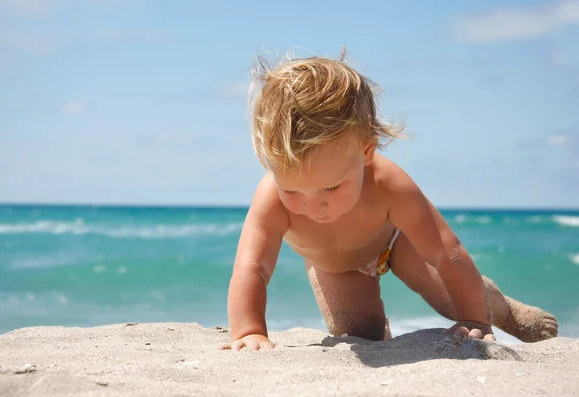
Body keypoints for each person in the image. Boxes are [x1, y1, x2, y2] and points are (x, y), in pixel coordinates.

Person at [222, 50, 558, 351]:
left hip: (397, 242)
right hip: (335, 267)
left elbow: (445, 251)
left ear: (366, 151)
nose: (314, 207)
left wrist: (476, 320)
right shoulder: (270, 197)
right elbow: (253, 266)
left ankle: (501, 311)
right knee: (361, 334)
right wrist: (249, 331)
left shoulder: (387, 183)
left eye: (332, 188)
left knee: (454, 302)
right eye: (292, 191)